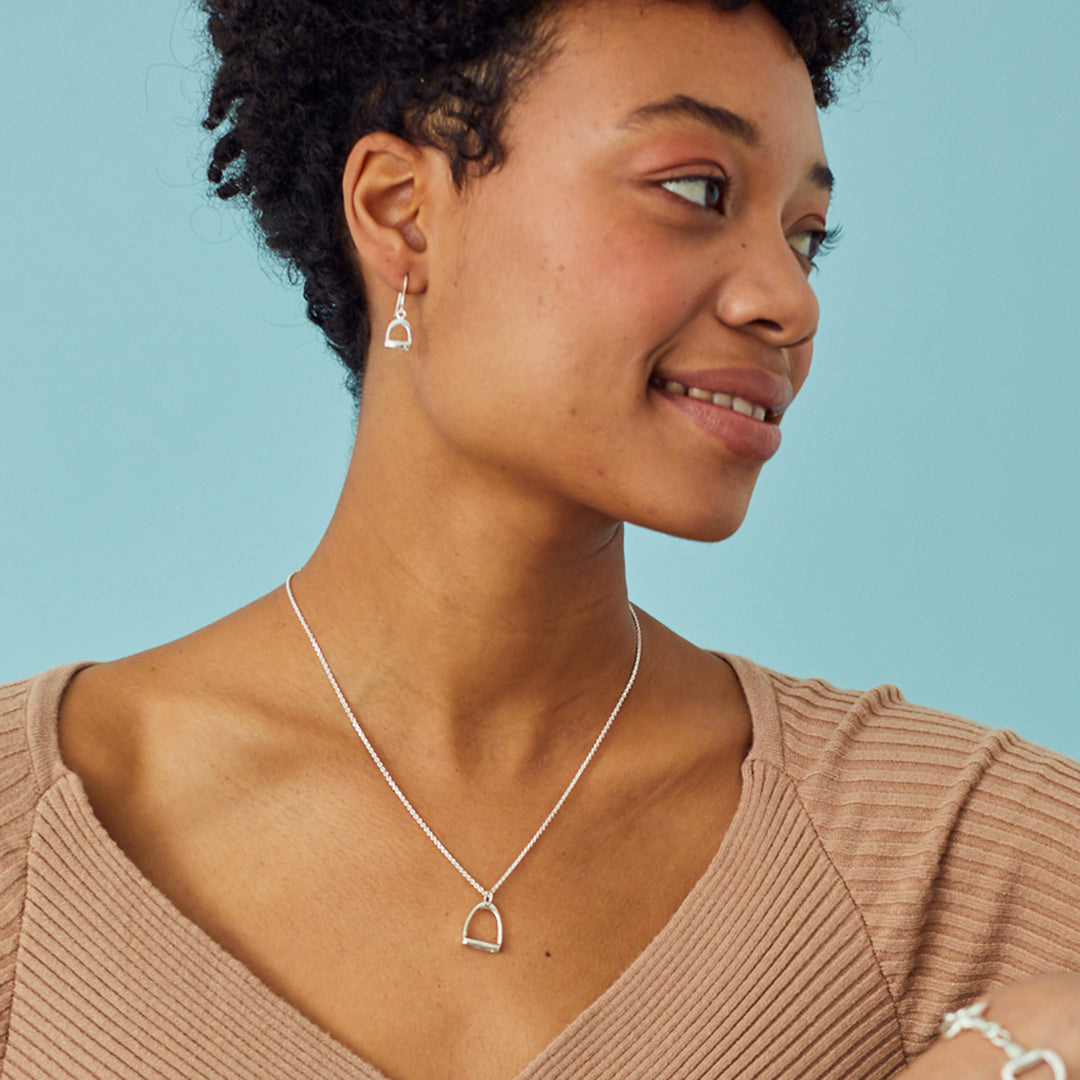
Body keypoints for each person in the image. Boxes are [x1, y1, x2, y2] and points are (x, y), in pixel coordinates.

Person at [1, 1, 1077, 1078]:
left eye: (806, 238)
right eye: (697, 192)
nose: (788, 300)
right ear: (404, 213)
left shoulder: (957, 858)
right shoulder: (31, 837)